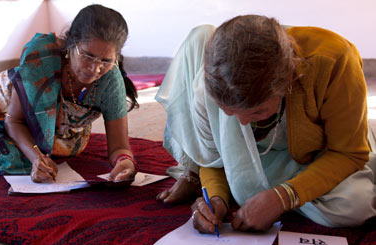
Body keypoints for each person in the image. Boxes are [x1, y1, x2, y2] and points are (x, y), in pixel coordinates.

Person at [155, 15, 376, 231]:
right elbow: (215, 158)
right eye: (228, 112)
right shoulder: (208, 88)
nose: (241, 123)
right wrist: (216, 197)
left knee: (353, 205)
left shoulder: (334, 60)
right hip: (266, 160)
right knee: (199, 37)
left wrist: (282, 197)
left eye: (257, 111)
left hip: (320, 152)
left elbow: (348, 152)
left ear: (285, 84)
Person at [0, 4, 138, 184]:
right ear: (71, 44)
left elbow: (119, 147)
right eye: (87, 56)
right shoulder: (40, 57)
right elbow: (14, 121)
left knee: (15, 157)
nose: (95, 68)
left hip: (60, 135)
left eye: (106, 61)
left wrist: (125, 161)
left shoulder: (110, 82)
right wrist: (36, 158)